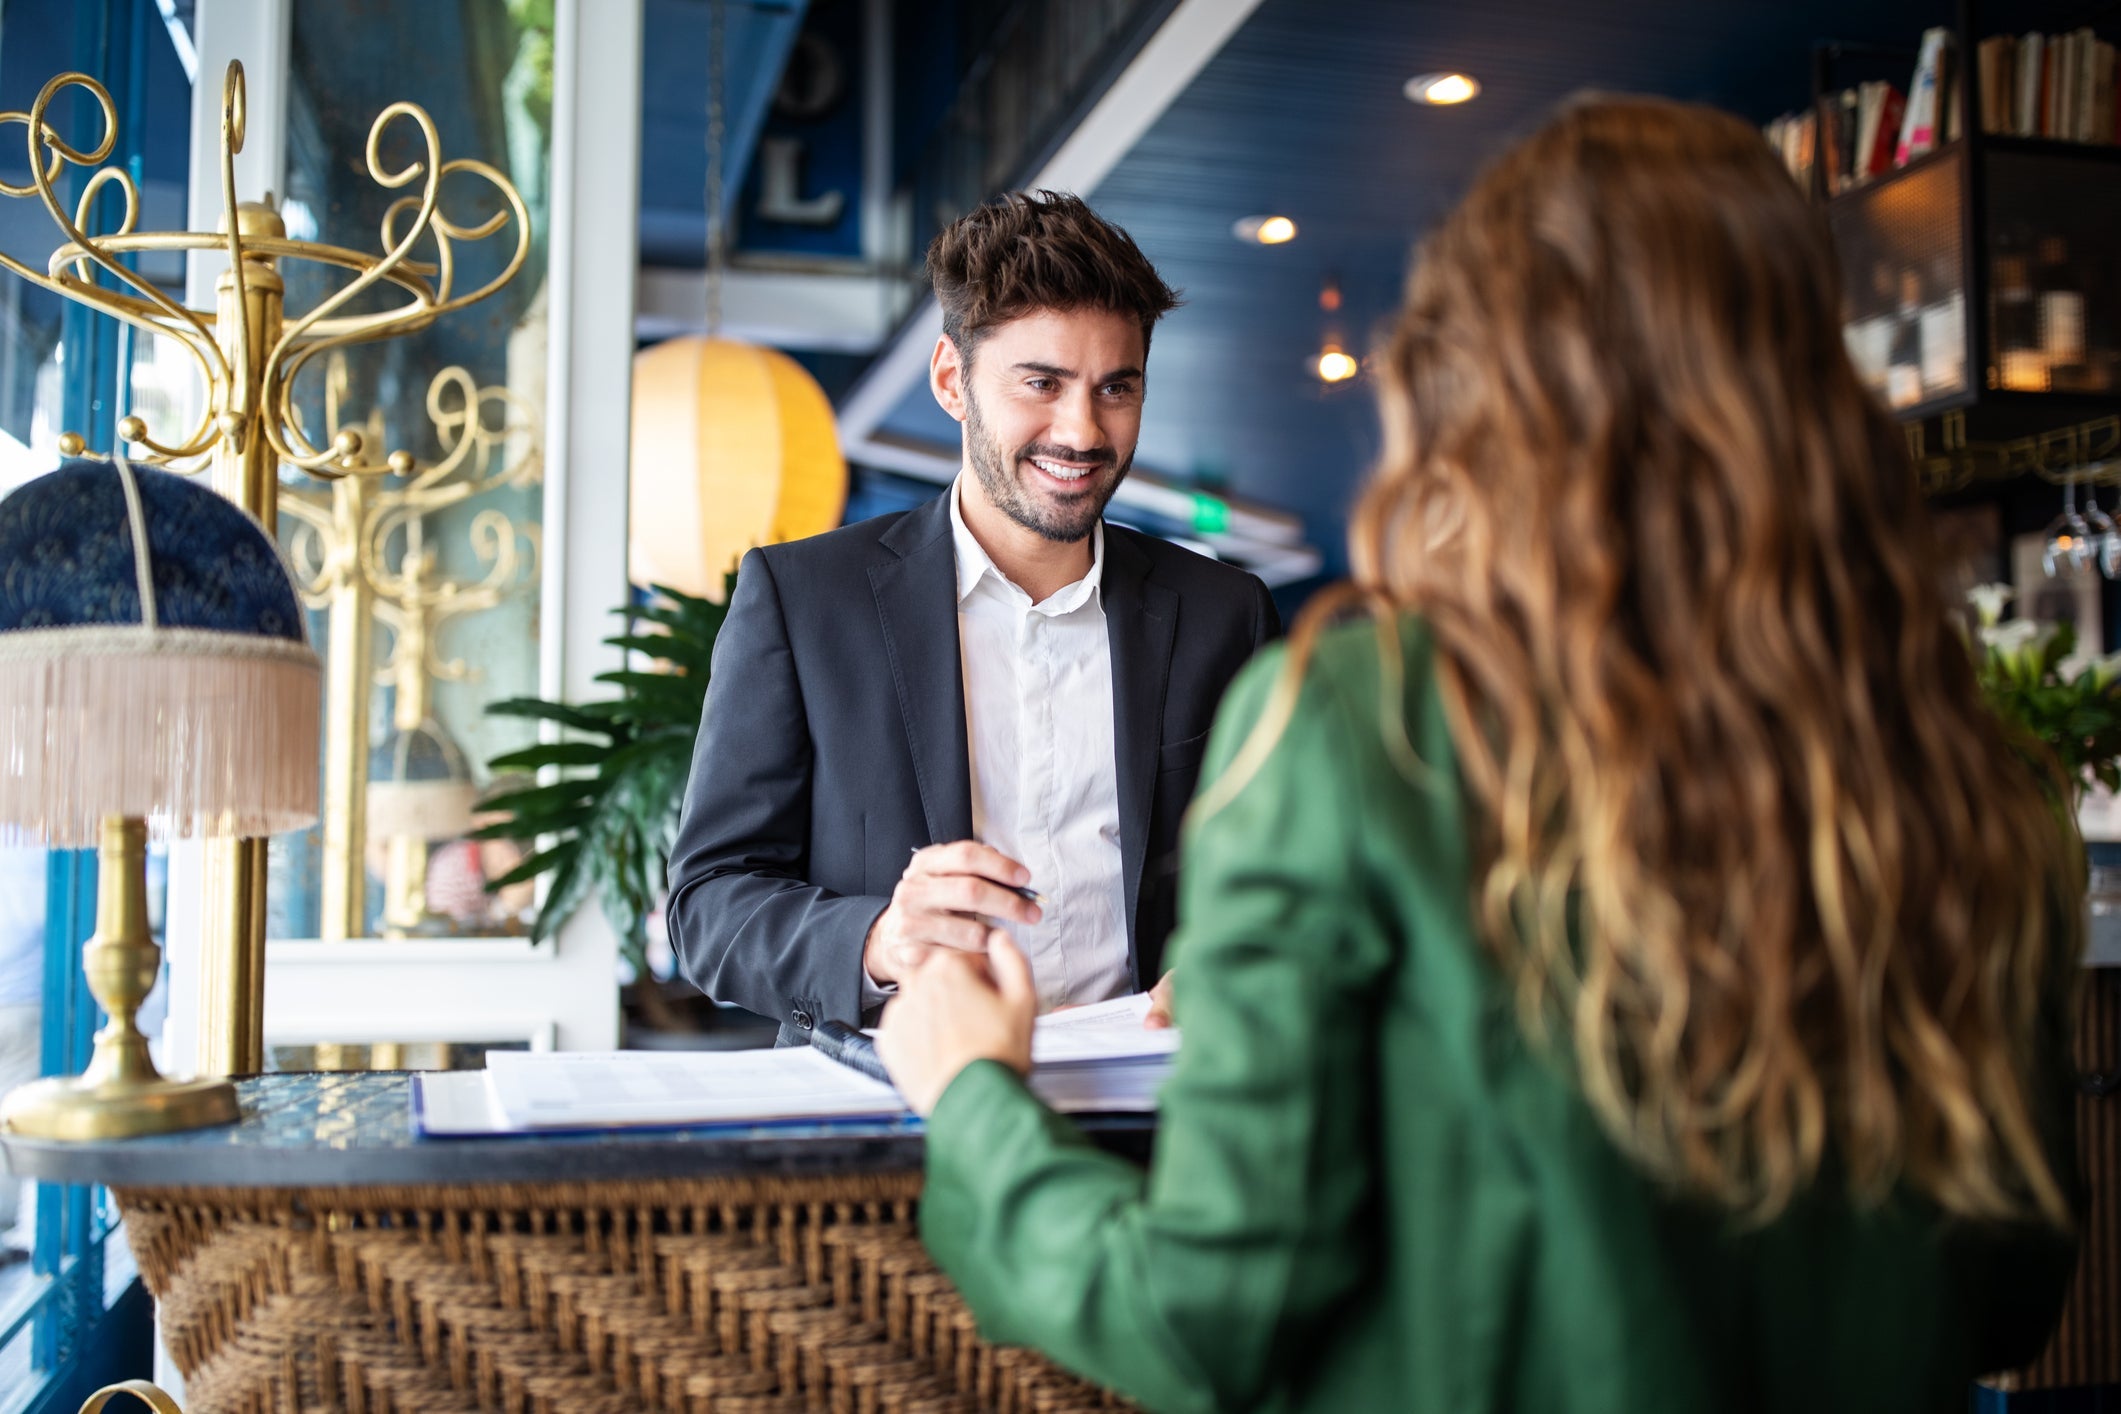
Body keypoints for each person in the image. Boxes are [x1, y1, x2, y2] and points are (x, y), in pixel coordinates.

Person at [875, 97, 2083, 1412]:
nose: (1084, 422)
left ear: (1481, 379)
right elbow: (2011, 1291)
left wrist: (974, 1099)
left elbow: (1207, 1319)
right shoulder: (1977, 780)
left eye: (1115, 384)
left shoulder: (1360, 723)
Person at [668, 191, 1280, 1043]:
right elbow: (709, 905)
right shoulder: (805, 601)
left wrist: (1240, 960)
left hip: (1157, 1101)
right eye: (1041, 384)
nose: (1082, 431)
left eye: (1116, 388)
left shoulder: (1225, 615)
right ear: (952, 381)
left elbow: (1292, 878)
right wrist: (882, 941)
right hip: (897, 1106)